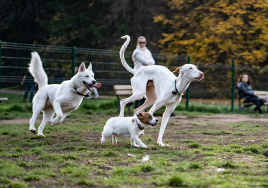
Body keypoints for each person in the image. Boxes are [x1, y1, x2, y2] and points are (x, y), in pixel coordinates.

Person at [132, 36, 155, 109]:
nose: (142, 44)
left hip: (147, 74)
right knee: (139, 93)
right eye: (140, 42)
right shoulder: (136, 52)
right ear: (137, 43)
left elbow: (153, 62)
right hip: (139, 74)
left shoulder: (147, 51)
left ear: (145, 43)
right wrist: (149, 62)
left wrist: (149, 62)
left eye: (143, 42)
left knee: (144, 93)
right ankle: (136, 110)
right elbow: (144, 61)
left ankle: (141, 110)